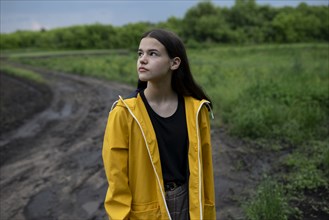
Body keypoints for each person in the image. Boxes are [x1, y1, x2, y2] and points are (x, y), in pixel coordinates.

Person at [102, 29, 216, 220]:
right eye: (140, 53)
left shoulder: (197, 110)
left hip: (189, 204)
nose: (143, 60)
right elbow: (117, 180)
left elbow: (205, 172)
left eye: (152, 53)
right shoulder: (123, 113)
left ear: (174, 63)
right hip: (146, 210)